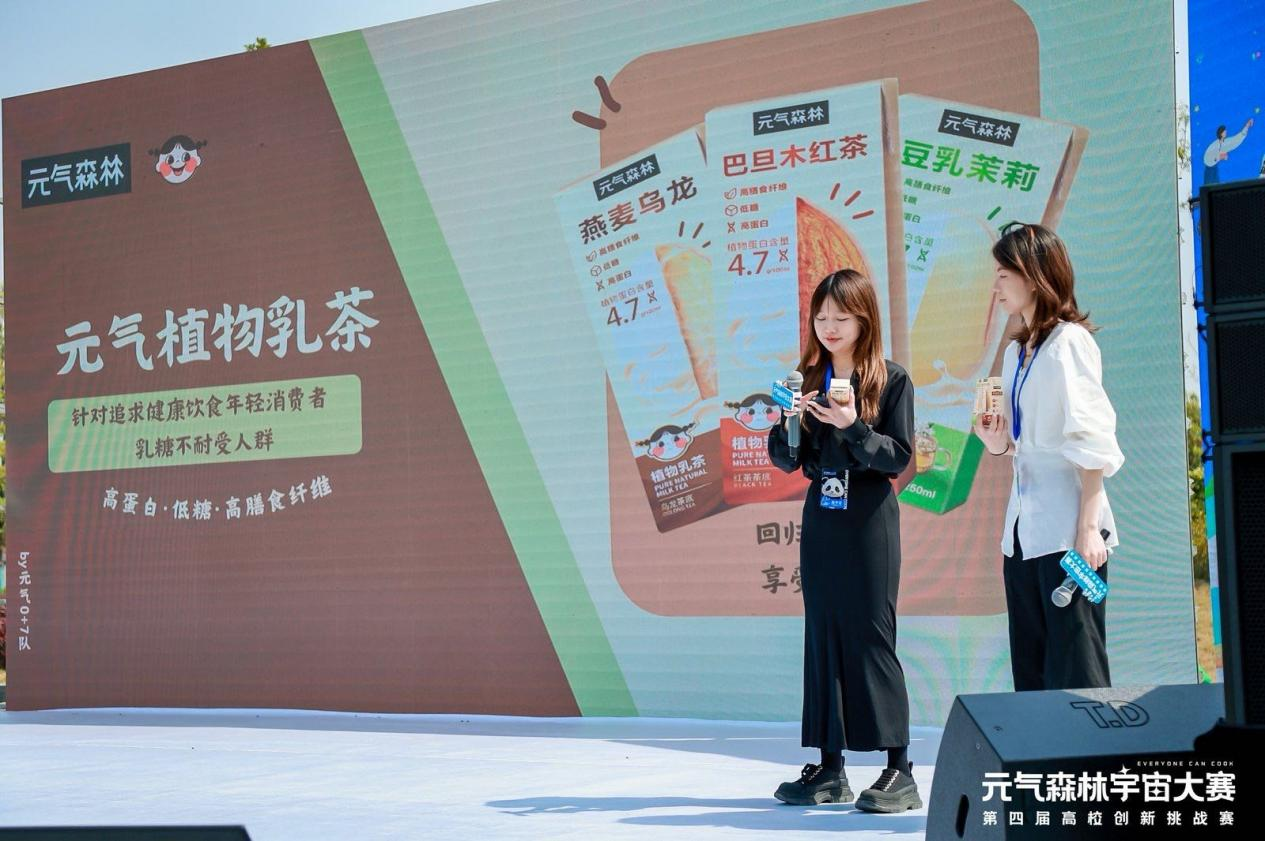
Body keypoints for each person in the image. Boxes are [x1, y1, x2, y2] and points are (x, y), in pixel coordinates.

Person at [767, 269, 920, 813]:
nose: (829, 327)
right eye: (821, 317)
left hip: (869, 516)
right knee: (823, 634)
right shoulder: (806, 379)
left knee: (872, 635)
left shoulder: (891, 379)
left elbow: (899, 458)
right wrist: (786, 424)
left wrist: (854, 425)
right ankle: (830, 769)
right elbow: (788, 460)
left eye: (841, 317)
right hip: (823, 517)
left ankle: (900, 770)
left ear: (864, 320)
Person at [973, 222, 1125, 692]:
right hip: (1022, 533)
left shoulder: (1069, 342)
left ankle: (1088, 744)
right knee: (1032, 670)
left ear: (1034, 276)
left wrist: (1087, 530)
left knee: (1077, 667)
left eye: (1004, 275)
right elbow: (1017, 443)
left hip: (1068, 530)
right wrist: (995, 440)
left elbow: (1092, 440)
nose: (996, 286)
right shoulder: (1016, 352)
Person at [1202, 119, 1253, 184]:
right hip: (1210, 169)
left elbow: (1236, 139)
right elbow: (1207, 158)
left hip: (1214, 168)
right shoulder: (1214, 145)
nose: (1226, 132)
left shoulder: (1225, 142)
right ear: (1221, 133)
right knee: (1209, 186)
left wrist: (1247, 126)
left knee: (1216, 186)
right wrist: (1220, 157)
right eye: (1224, 131)